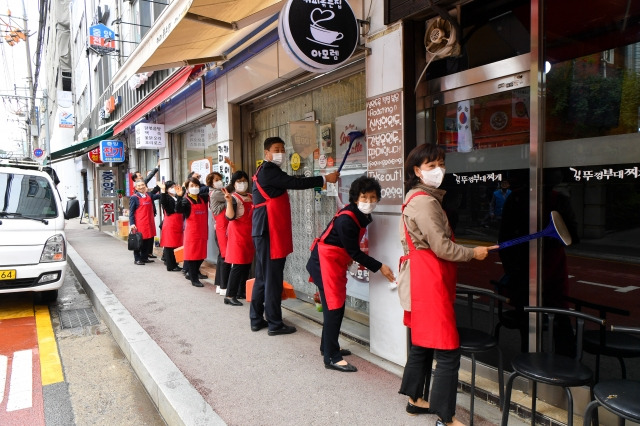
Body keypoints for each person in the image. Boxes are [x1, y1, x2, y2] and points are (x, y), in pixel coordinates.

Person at [397, 144, 497, 425]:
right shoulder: (425, 202)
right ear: (417, 170)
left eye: (441, 163)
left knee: (422, 343)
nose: (438, 170)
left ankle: (415, 400)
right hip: (428, 284)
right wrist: (472, 253)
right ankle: (445, 416)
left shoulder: (416, 197)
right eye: (431, 166)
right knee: (448, 349)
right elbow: (441, 247)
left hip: (421, 279)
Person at [251, 136, 339, 335]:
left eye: (283, 149)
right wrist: (325, 179)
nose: (280, 152)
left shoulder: (265, 171)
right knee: (272, 278)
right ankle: (274, 323)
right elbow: (294, 182)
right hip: (269, 231)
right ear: (266, 153)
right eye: (276, 149)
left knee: (263, 277)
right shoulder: (268, 171)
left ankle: (256, 319)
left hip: (264, 231)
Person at [306, 176, 395, 372]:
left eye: (373, 197)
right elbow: (354, 252)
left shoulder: (361, 215)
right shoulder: (347, 219)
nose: (369, 202)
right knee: (334, 308)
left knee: (335, 307)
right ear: (355, 198)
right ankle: (331, 358)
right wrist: (380, 266)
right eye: (364, 197)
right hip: (324, 262)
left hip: (334, 262)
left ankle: (327, 347)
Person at [222, 171, 254, 306]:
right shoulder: (233, 198)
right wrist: (229, 202)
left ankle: (241, 291)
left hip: (249, 235)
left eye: (244, 181)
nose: (242, 184)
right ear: (234, 184)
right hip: (237, 236)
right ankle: (230, 295)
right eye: (239, 181)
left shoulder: (251, 197)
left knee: (246, 264)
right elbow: (229, 216)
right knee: (238, 265)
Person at [176, 177, 209, 287]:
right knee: (192, 256)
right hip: (192, 233)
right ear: (187, 188)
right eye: (192, 186)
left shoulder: (203, 198)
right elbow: (179, 210)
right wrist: (179, 196)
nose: (195, 188)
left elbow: (210, 188)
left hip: (203, 231)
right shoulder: (186, 200)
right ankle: (194, 278)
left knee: (202, 255)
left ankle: (192, 273)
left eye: (196, 186)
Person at [129, 180, 161, 265]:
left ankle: (144, 257)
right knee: (139, 241)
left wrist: (164, 189)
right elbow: (131, 212)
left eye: (142, 185)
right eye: (139, 186)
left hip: (149, 222)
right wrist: (132, 224)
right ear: (136, 188)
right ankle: (137, 259)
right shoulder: (134, 197)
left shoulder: (149, 195)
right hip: (139, 223)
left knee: (148, 241)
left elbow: (158, 196)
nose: (141, 187)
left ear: (145, 186)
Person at [158, 181, 184, 272]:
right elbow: (163, 202)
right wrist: (163, 191)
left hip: (178, 222)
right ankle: (170, 265)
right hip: (170, 223)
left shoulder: (176, 197)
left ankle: (175, 263)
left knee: (176, 245)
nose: (173, 188)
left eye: (174, 186)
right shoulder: (166, 197)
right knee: (169, 246)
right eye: (171, 187)